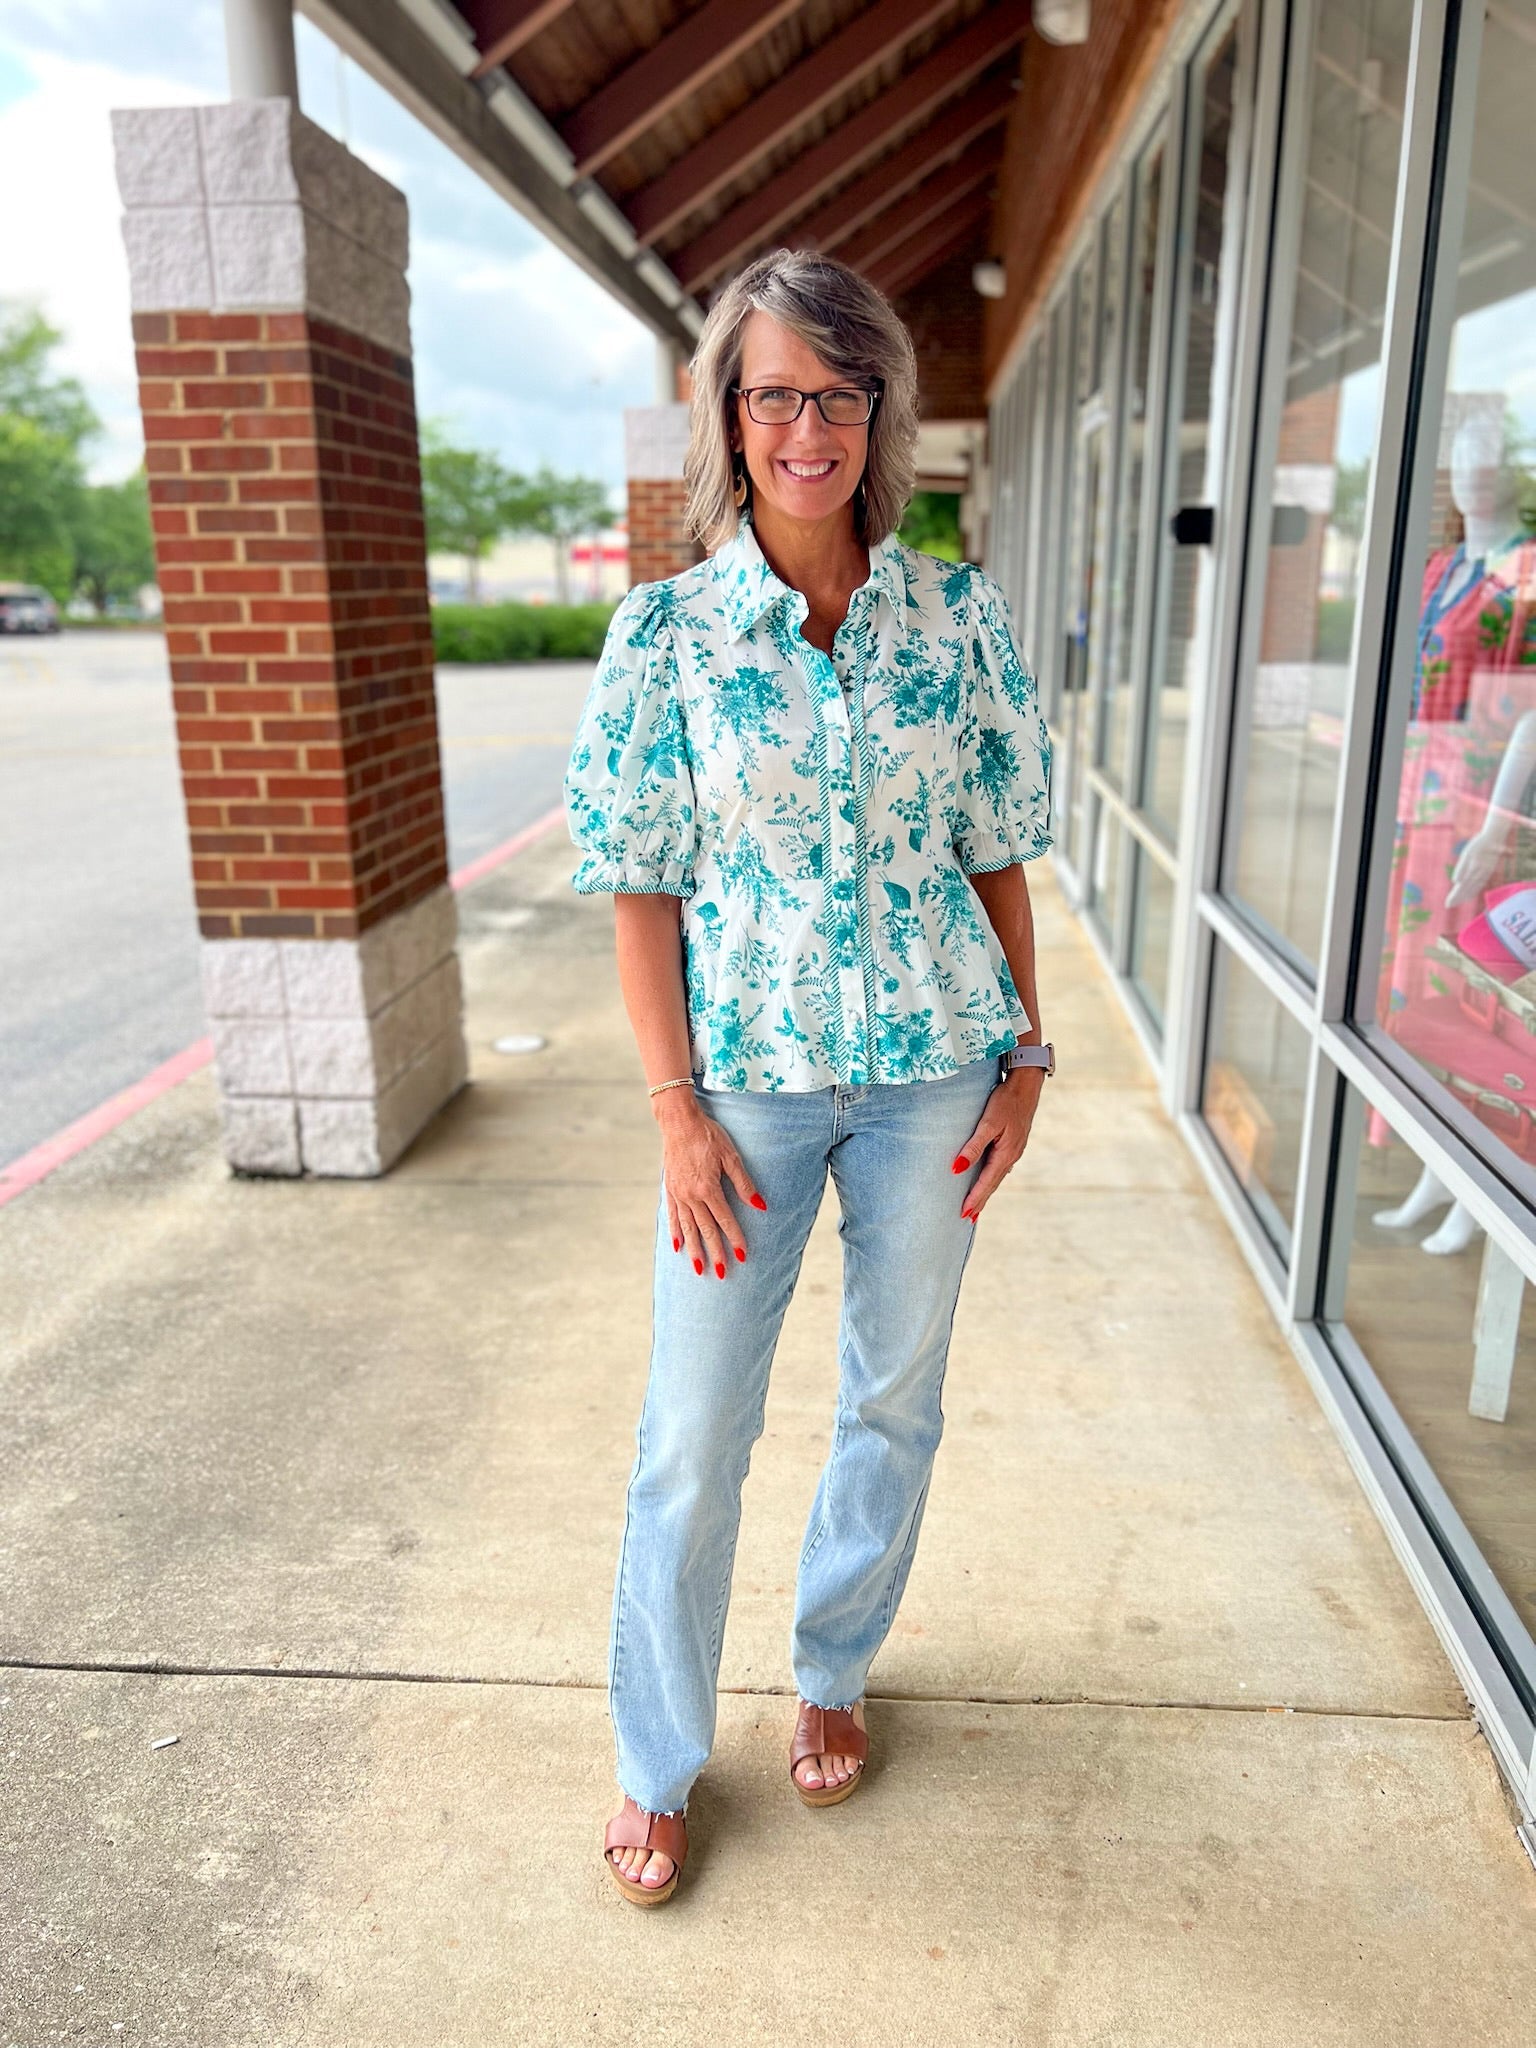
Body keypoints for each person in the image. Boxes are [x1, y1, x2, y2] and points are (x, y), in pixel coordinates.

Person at [561, 249, 1055, 1908]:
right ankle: (656, 1761)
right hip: (748, 1097)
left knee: (892, 1399)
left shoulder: (955, 617)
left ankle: (833, 1665)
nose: (807, 425)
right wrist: (674, 1112)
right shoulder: (670, 640)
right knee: (693, 1433)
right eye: (774, 391)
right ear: (732, 411)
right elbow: (640, 884)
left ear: (878, 413)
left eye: (837, 392)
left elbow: (996, 855)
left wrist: (1029, 1054)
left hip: (934, 1081)